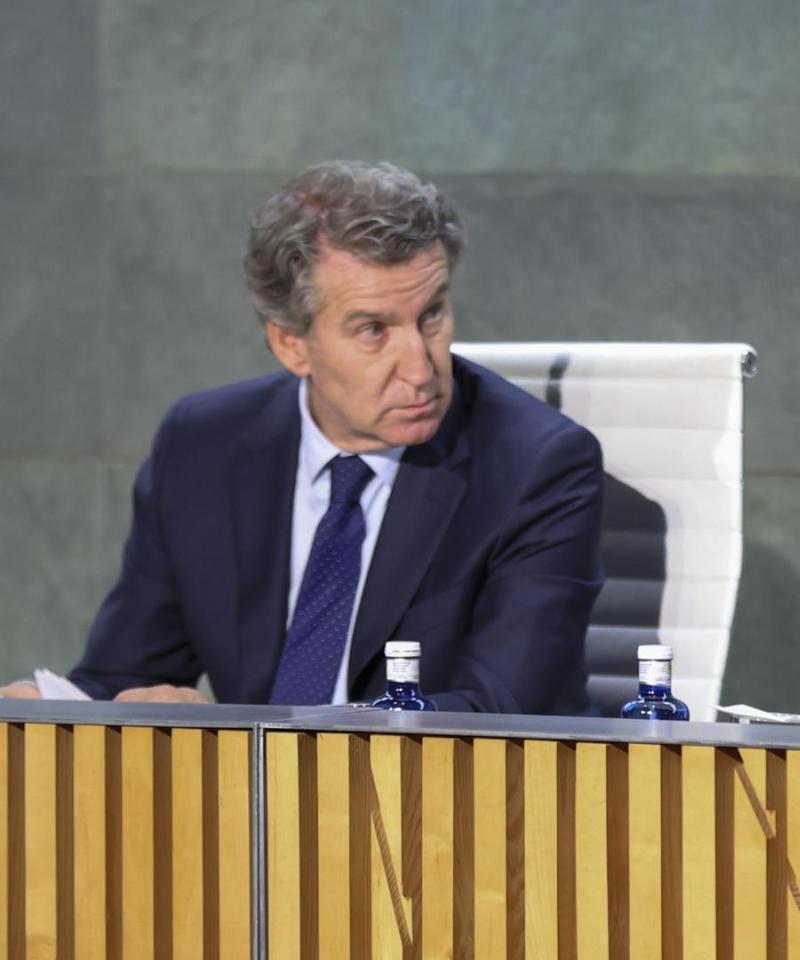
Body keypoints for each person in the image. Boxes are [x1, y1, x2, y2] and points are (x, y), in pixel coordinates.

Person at [1, 161, 604, 713]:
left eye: (432, 316)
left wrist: (259, 748)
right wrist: (59, 708)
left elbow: (502, 711)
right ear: (292, 344)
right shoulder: (202, 447)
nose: (421, 368)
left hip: (445, 815)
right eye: (373, 330)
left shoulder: (535, 466)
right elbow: (125, 673)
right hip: (254, 813)